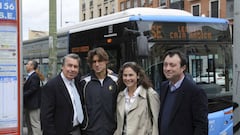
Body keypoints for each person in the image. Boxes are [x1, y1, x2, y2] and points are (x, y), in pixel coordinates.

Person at [158, 50, 208, 135]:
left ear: (183, 68)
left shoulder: (195, 92)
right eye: (165, 65)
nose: (167, 68)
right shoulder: (164, 87)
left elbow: (201, 126)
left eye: (172, 65)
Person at [40, 53, 84, 135]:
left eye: (75, 66)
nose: (72, 69)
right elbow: (46, 117)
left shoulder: (78, 82)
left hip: (77, 130)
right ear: (62, 66)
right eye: (69, 65)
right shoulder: (51, 86)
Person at [80, 47, 118, 135]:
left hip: (112, 131)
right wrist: (84, 125)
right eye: (94, 62)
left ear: (106, 61)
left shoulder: (116, 81)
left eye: (100, 61)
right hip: (90, 131)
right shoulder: (84, 82)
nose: (97, 64)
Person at [114, 62, 160, 135]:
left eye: (131, 75)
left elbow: (156, 122)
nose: (127, 78)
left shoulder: (149, 94)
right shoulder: (120, 96)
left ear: (138, 76)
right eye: (125, 75)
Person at [23, 60, 42, 135]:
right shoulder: (30, 76)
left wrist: (22, 95)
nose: (26, 66)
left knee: (34, 123)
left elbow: (33, 89)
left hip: (33, 105)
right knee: (29, 123)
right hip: (29, 104)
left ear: (32, 66)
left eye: (28, 64)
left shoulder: (34, 76)